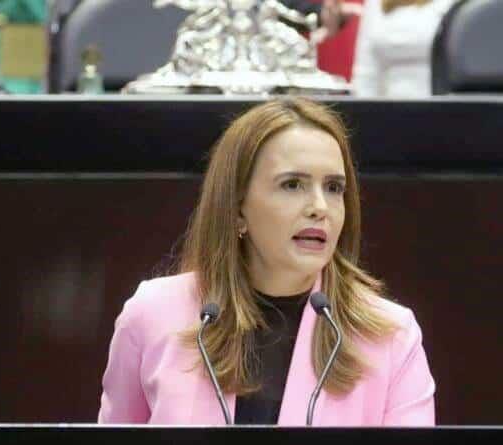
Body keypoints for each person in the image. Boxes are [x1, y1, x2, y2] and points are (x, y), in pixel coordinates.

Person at [98, 97, 435, 425]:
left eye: (334, 188)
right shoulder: (153, 313)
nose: (320, 207)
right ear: (237, 207)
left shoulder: (390, 335)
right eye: (293, 185)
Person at [351, 0, 455, 97]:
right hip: (387, 104)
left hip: (440, 100)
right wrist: (363, 106)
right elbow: (365, 67)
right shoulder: (375, 3)